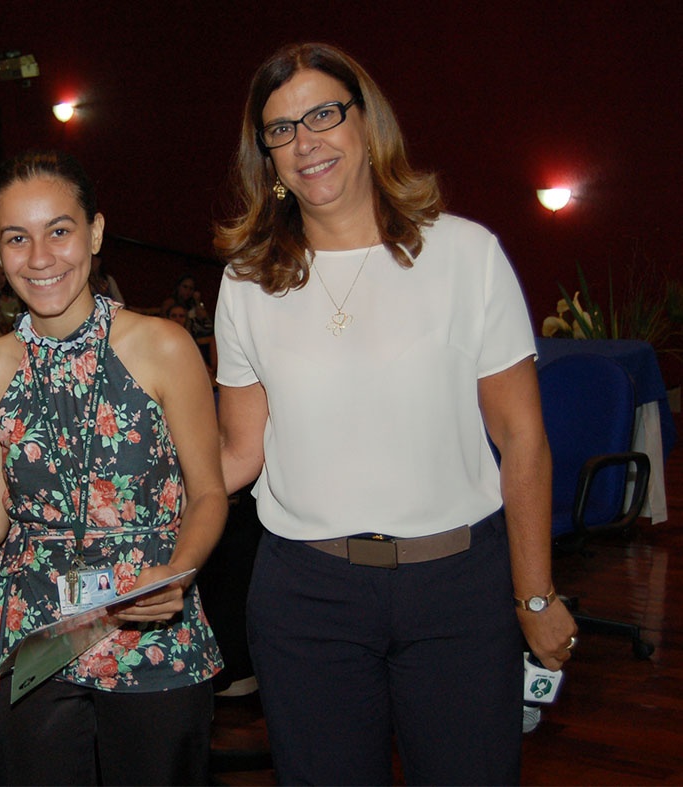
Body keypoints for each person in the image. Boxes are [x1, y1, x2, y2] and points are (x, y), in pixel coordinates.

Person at [212, 42, 578, 785]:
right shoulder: (247, 281)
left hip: (458, 588)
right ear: (267, 159)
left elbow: (521, 437)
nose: (304, 141)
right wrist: (131, 499)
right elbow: (238, 453)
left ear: (365, 123)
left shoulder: (464, 254)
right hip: (305, 595)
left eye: (321, 115)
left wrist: (533, 592)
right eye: (280, 130)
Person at [0, 150, 226, 785]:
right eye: (17, 238)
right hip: (36, 636)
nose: (41, 257)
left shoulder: (162, 345)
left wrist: (177, 573)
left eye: (60, 230)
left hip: (149, 619)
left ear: (96, 232)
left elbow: (210, 492)